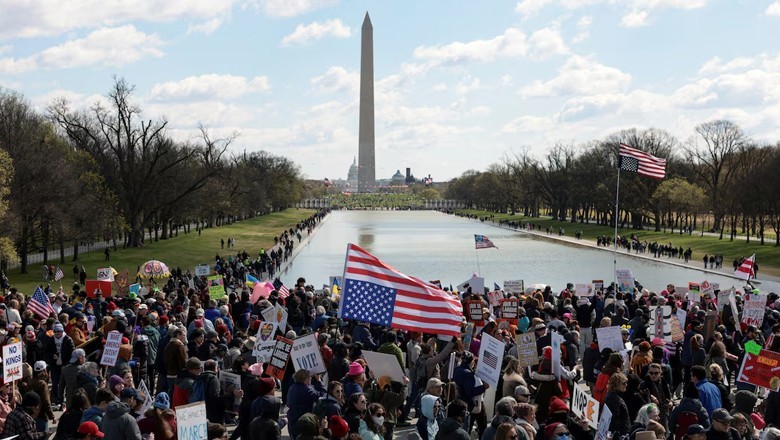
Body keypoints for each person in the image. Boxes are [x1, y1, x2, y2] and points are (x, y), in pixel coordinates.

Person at [604, 372, 631, 437]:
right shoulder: (613, 398)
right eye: (623, 383)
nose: (626, 385)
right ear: (616, 384)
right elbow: (614, 419)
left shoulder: (614, 395)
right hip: (621, 433)